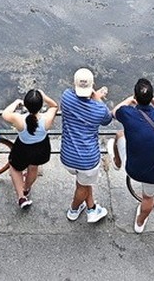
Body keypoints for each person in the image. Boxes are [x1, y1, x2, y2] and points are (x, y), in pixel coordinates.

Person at [112, 78, 154, 233]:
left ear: (135, 96)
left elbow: (114, 112)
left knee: (119, 135)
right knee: (148, 198)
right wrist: (153, 99)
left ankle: (117, 162)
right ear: (152, 97)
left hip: (133, 169)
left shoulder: (128, 113)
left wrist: (128, 100)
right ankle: (139, 224)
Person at [59, 67, 113, 224]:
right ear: (93, 85)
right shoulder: (99, 109)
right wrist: (98, 98)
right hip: (87, 160)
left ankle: (91, 208)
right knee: (82, 186)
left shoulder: (67, 97)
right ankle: (74, 210)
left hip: (67, 156)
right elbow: (108, 119)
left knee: (83, 182)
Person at [0, 88, 57, 210]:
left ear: (26, 104)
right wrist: (44, 96)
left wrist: (16, 102)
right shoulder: (46, 119)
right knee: (33, 168)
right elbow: (54, 106)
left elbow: (5, 114)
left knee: (15, 168)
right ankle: (26, 188)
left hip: (23, 148)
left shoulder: (19, 119)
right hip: (41, 148)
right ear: (41, 105)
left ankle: (21, 197)